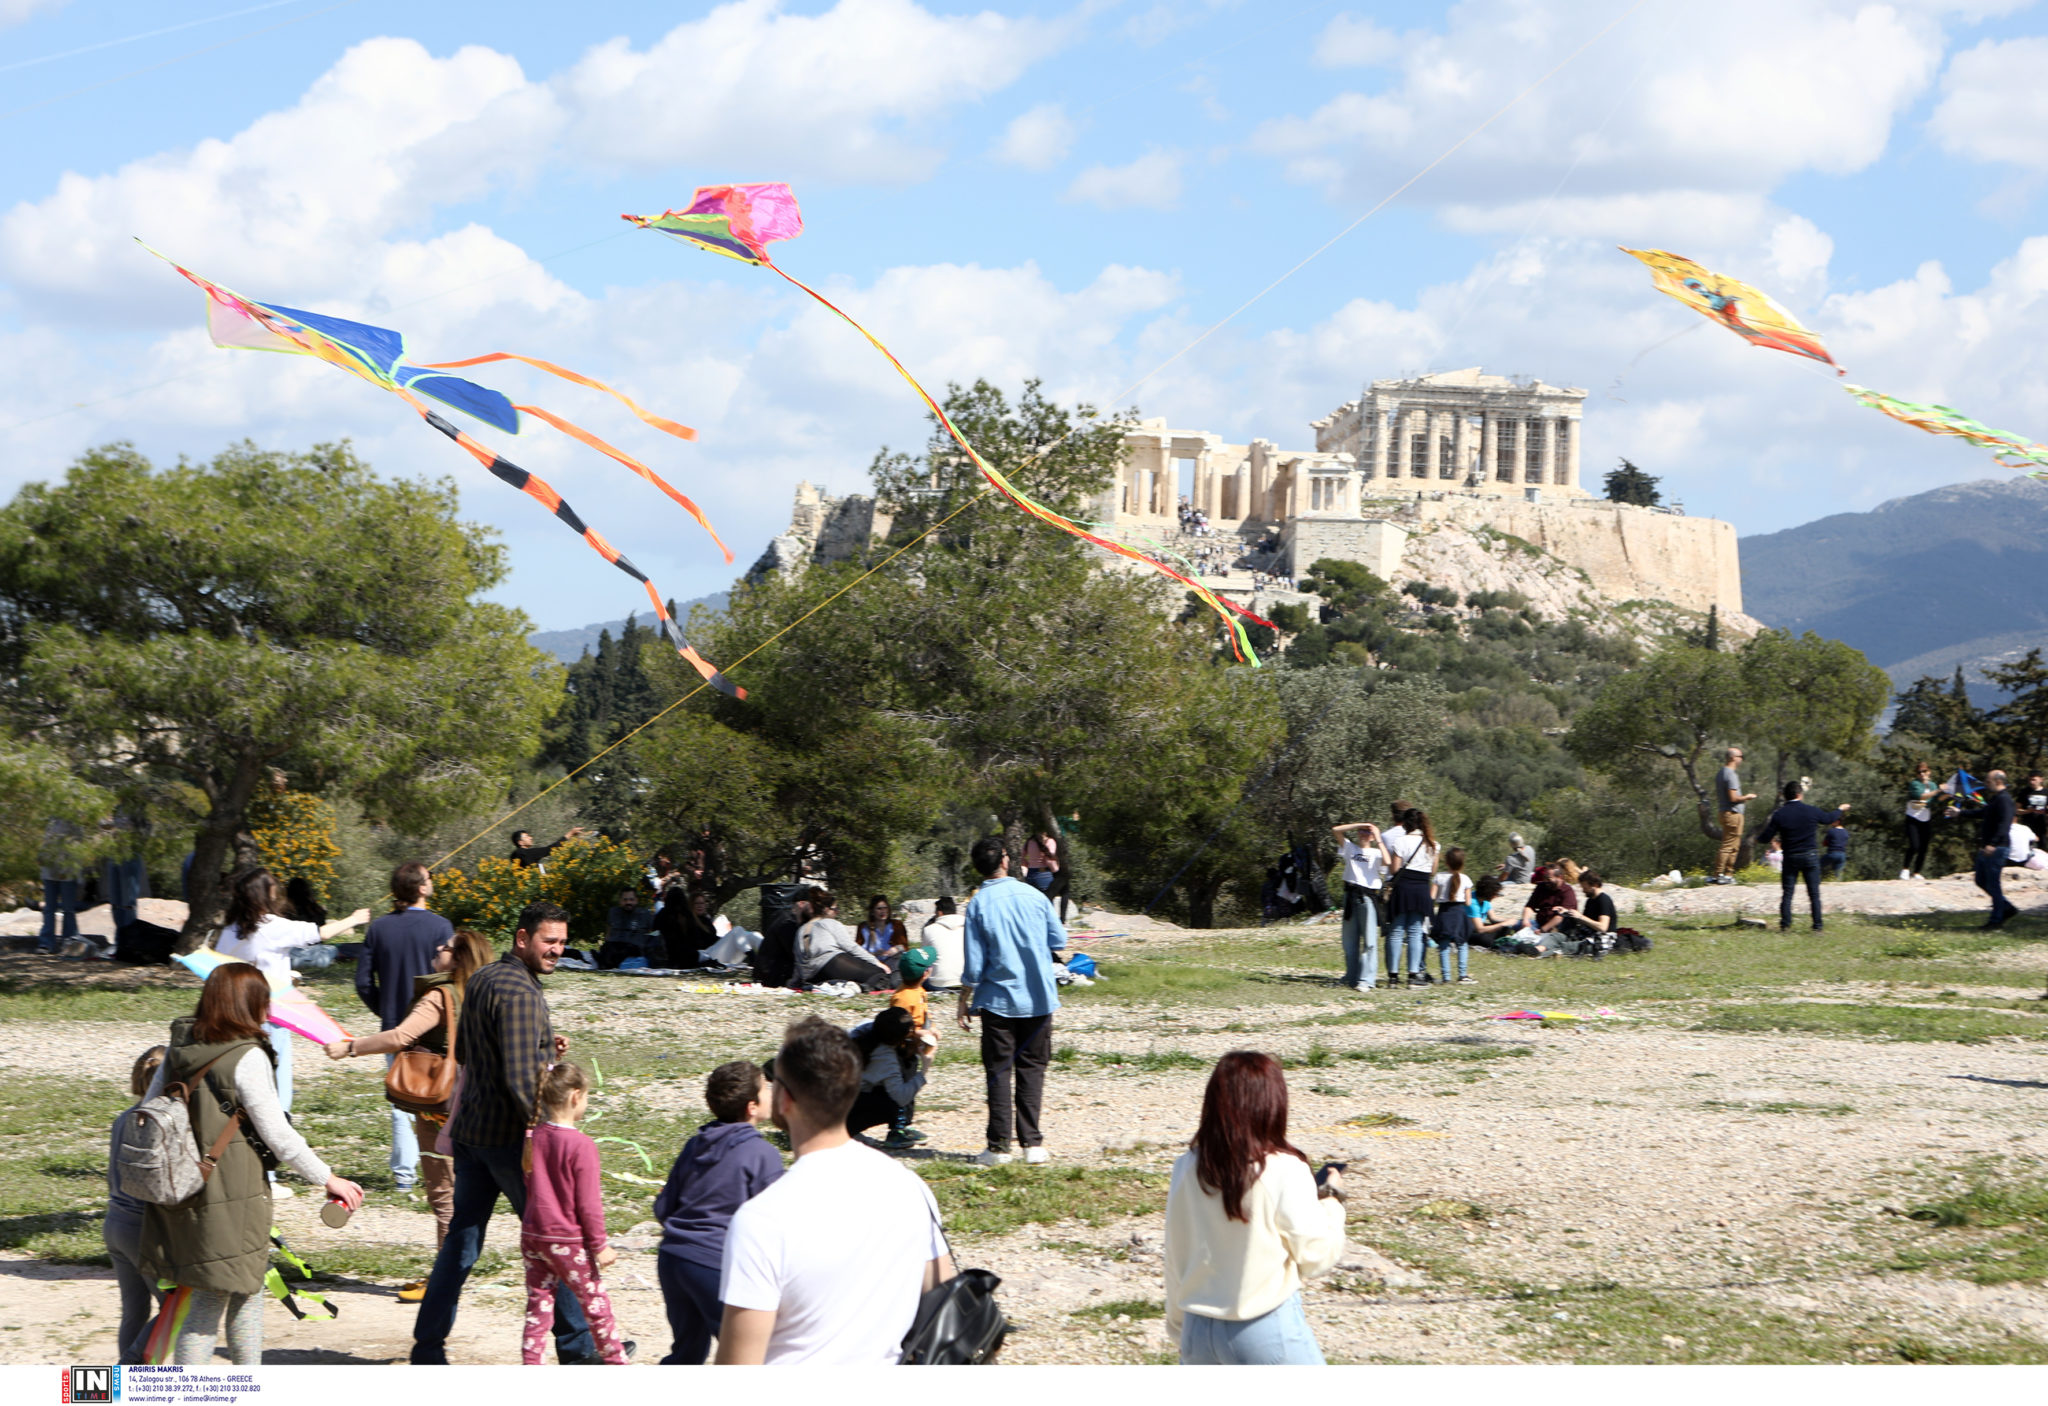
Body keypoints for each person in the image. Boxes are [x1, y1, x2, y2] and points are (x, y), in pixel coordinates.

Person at [411, 901, 611, 1365]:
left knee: (462, 1241)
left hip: (472, 1134)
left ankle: (428, 1345)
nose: (557, 950)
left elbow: (497, 1050)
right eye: (549, 941)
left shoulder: (483, 979)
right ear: (523, 939)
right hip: (510, 1143)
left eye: (562, 941)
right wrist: (549, 1136)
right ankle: (581, 1349)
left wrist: (546, 1043)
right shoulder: (520, 992)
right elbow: (523, 1079)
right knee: (554, 1240)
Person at [137, 964, 365, 1365]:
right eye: (263, 999)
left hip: (181, 1186)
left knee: (245, 1286)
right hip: (230, 1192)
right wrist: (327, 1178)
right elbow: (277, 1133)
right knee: (212, 1296)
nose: (268, 1008)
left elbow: (147, 1110)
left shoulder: (179, 1046)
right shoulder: (246, 1056)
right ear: (246, 1004)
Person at [716, 1017, 952, 1365]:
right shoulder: (909, 1187)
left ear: (785, 1099)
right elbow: (944, 1294)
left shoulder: (762, 1220)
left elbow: (738, 1368)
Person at [325, 927, 493, 1276]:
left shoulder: (440, 995)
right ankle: (457, 1268)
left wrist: (350, 1047)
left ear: (458, 959)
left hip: (440, 1106)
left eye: (445, 947)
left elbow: (402, 1035)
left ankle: (446, 1279)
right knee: (467, 1191)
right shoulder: (483, 993)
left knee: (443, 1195)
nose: (438, 947)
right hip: (478, 1103)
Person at [1163, 1052, 1346, 1365]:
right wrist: (1332, 1201)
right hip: (1261, 1325)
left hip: (1197, 1326)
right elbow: (1316, 1256)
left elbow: (1175, 1255)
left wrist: (1179, 1326)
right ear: (1271, 1105)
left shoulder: (1187, 1166)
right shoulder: (1283, 1168)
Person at [654, 1061, 784, 1365]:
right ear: (752, 1106)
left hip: (673, 1258)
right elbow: (777, 1222)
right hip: (715, 1262)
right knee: (750, 1354)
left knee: (687, 1352)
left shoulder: (695, 1144)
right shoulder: (762, 1154)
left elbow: (663, 1208)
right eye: (766, 1088)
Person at [957, 836, 1067, 1166]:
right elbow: (1058, 939)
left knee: (999, 1071)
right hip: (1038, 997)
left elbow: (974, 965)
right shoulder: (1034, 895)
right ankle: (1032, 1144)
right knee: (1033, 1069)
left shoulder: (977, 904)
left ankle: (998, 1147)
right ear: (1005, 860)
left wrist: (964, 999)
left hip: (997, 1001)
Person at [519, 1063, 630, 1366]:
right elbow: (589, 1204)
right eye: (587, 1096)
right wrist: (600, 1245)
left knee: (539, 1305)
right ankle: (617, 1364)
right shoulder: (582, 1145)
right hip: (568, 1240)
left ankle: (531, 1365)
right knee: (596, 1306)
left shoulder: (534, 1136)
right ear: (575, 1096)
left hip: (533, 1235)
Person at [356, 862, 455, 1195]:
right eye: (429, 879)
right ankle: (441, 1167)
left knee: (402, 1097)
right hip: (434, 1029)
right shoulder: (441, 927)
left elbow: (362, 982)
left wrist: (385, 1010)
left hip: (393, 1028)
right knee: (438, 1095)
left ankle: (403, 1175)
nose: (432, 882)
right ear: (421, 888)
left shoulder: (378, 929)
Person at [216, 869, 325, 1132]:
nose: (276, 889)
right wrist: (354, 919)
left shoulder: (230, 932)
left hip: (237, 1015)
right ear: (263, 893)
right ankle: (273, 1146)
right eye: (272, 885)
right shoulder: (272, 927)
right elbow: (316, 933)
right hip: (273, 1016)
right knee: (276, 1082)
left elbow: (220, 968)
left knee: (246, 1081)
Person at [106, 1045, 167, 1364]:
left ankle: (120, 1391)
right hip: (141, 1229)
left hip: (114, 1222)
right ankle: (130, 1371)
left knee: (134, 1311)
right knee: (174, 1308)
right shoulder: (161, 1123)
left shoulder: (123, 1119)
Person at [1755, 781, 1850, 933]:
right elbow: (1828, 818)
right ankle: (1817, 927)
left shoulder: (1779, 814)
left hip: (1791, 857)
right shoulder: (1810, 811)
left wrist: (1756, 839)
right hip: (1810, 856)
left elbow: (1767, 837)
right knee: (1814, 893)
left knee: (1788, 893)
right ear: (1800, 794)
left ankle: (1785, 925)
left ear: (1785, 797)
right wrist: (1840, 809)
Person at [848, 1006, 929, 1149]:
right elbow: (901, 1097)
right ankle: (846, 1131)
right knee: (892, 1104)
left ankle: (845, 1130)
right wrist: (924, 1069)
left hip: (825, 1099)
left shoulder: (863, 1029)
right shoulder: (884, 1057)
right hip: (842, 1107)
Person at [1328, 819, 1388, 992]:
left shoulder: (1376, 852)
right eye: (1361, 832)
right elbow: (1336, 830)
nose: (1363, 834)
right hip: (1350, 895)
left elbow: (1388, 861)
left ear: (1371, 836)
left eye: (1366, 832)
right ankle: (1351, 976)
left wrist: (1378, 837)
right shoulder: (1350, 848)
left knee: (1369, 941)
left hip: (1368, 897)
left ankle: (1367, 980)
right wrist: (1358, 825)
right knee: (1349, 940)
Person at [1382, 808, 1438, 988]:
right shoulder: (1433, 845)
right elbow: (1433, 871)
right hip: (1421, 889)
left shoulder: (1400, 841)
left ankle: (1393, 977)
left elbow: (1394, 870)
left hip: (1403, 889)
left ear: (1405, 823)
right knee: (1415, 932)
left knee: (1396, 932)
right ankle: (1413, 975)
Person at [797, 892, 894, 990]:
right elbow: (851, 947)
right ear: (826, 910)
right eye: (835, 909)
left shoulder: (801, 930)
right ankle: (860, 987)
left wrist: (796, 981)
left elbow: (798, 959)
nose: (837, 912)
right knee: (880, 974)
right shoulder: (829, 922)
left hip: (811, 975)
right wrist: (876, 962)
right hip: (832, 962)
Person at [1962, 769, 2019, 929]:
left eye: (1988, 781)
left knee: (1993, 883)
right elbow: (1982, 812)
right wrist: (1960, 813)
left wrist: (1993, 844)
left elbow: (2005, 824)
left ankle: (1996, 921)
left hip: (1997, 848)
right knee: (1981, 880)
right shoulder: (1995, 799)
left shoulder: (2005, 800)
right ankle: (2006, 908)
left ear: (1998, 781)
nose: (1986, 784)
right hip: (1989, 847)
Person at [37, 818, 83, 953]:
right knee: (49, 908)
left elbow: (79, 849)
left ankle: (69, 942)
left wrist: (77, 875)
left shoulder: (75, 823)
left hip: (68, 872)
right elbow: (46, 843)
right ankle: (46, 943)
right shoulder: (51, 821)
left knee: (68, 909)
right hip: (49, 872)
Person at [1713, 746, 1757, 884]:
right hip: (1732, 814)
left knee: (1733, 846)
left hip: (1725, 812)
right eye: (1740, 756)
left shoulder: (1721, 773)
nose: (1741, 759)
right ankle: (1719, 874)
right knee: (1728, 845)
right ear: (1733, 758)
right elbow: (1733, 797)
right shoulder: (1730, 774)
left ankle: (1728, 874)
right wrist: (1747, 797)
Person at [1432, 846, 1476, 984]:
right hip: (1459, 913)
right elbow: (1468, 902)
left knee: (1443, 945)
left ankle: (1446, 977)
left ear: (1446, 862)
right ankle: (1462, 975)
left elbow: (1432, 896)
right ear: (1462, 863)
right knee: (1462, 943)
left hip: (1444, 912)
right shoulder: (1466, 879)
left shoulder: (1438, 877)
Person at [1902, 760, 1940, 880]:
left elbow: (1937, 800)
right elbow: (1921, 796)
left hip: (1925, 818)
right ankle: (1905, 869)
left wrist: (1949, 794)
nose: (1922, 774)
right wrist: (1939, 791)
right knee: (1914, 845)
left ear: (1929, 772)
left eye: (1924, 771)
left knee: (1924, 847)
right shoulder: (1915, 784)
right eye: (1919, 772)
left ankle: (1917, 872)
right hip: (1913, 817)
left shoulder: (1933, 785)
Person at [600, 888, 654, 968]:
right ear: (620, 901)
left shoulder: (645, 914)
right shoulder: (613, 912)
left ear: (636, 900)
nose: (628, 902)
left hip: (634, 949)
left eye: (631, 899)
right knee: (606, 948)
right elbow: (608, 932)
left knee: (626, 950)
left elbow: (653, 933)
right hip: (614, 946)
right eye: (625, 900)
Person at [1563, 871, 1618, 947]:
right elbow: (1585, 921)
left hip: (1602, 938)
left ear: (1594, 885)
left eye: (1585, 888)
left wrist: (1580, 917)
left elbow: (1603, 927)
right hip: (1589, 934)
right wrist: (1568, 912)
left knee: (1566, 946)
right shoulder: (1590, 900)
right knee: (1560, 938)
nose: (1583, 891)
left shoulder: (1604, 900)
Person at [890, 945, 937, 1035]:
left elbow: (925, 1014)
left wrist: (932, 1027)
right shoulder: (903, 998)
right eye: (930, 965)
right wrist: (917, 1034)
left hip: (920, 1035)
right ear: (925, 974)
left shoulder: (919, 990)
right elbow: (898, 1028)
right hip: (907, 1043)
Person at [921, 896, 966, 990]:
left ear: (939, 913)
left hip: (938, 984)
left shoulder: (929, 929)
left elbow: (924, 958)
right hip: (965, 982)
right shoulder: (968, 927)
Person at [855, 895, 909, 960]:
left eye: (885, 908)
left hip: (892, 961)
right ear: (872, 912)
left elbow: (905, 947)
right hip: (870, 962)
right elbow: (857, 951)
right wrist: (874, 954)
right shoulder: (863, 927)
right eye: (879, 908)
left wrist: (896, 949)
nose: (883, 911)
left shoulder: (897, 925)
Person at [508, 827, 588, 869]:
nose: (531, 838)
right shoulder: (527, 853)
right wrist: (570, 833)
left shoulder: (514, 857)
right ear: (520, 842)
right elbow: (551, 849)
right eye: (527, 836)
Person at [1468, 876, 1514, 948]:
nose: (1496, 896)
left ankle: (1498, 941)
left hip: (1479, 929)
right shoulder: (1472, 903)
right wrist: (1502, 924)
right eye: (1496, 894)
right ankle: (1498, 943)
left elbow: (1493, 918)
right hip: (1469, 931)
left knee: (1506, 927)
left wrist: (1507, 921)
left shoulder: (1485, 900)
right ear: (1489, 893)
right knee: (1484, 939)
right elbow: (1480, 929)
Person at [1021, 830, 1061, 895]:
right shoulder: (1050, 841)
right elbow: (1049, 859)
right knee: (1046, 899)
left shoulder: (1029, 841)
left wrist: (1027, 863)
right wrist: (1056, 870)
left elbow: (1021, 856)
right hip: (1044, 874)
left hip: (1030, 873)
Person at [1824, 815, 1851, 880]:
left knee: (1817, 866)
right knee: (1838, 874)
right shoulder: (1846, 832)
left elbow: (1824, 843)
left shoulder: (1831, 831)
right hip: (1842, 854)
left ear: (1837, 821)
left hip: (1832, 853)